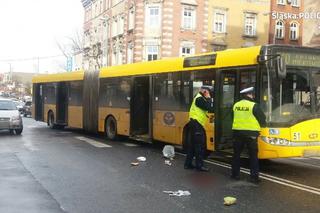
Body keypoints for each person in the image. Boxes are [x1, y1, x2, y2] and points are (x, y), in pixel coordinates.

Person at [231, 87, 266, 183]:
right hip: (251, 134)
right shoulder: (254, 105)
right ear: (249, 95)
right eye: (252, 94)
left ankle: (235, 174)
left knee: (236, 155)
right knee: (253, 156)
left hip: (237, 133)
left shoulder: (236, 105)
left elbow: (232, 117)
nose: (253, 96)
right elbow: (262, 119)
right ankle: (254, 177)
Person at [184, 85, 214, 172]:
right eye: (208, 92)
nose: (209, 94)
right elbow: (208, 107)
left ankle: (188, 164)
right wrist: (209, 98)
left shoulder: (199, 98)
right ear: (205, 91)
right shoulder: (199, 99)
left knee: (193, 145)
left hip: (195, 124)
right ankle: (199, 166)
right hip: (196, 124)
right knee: (199, 146)